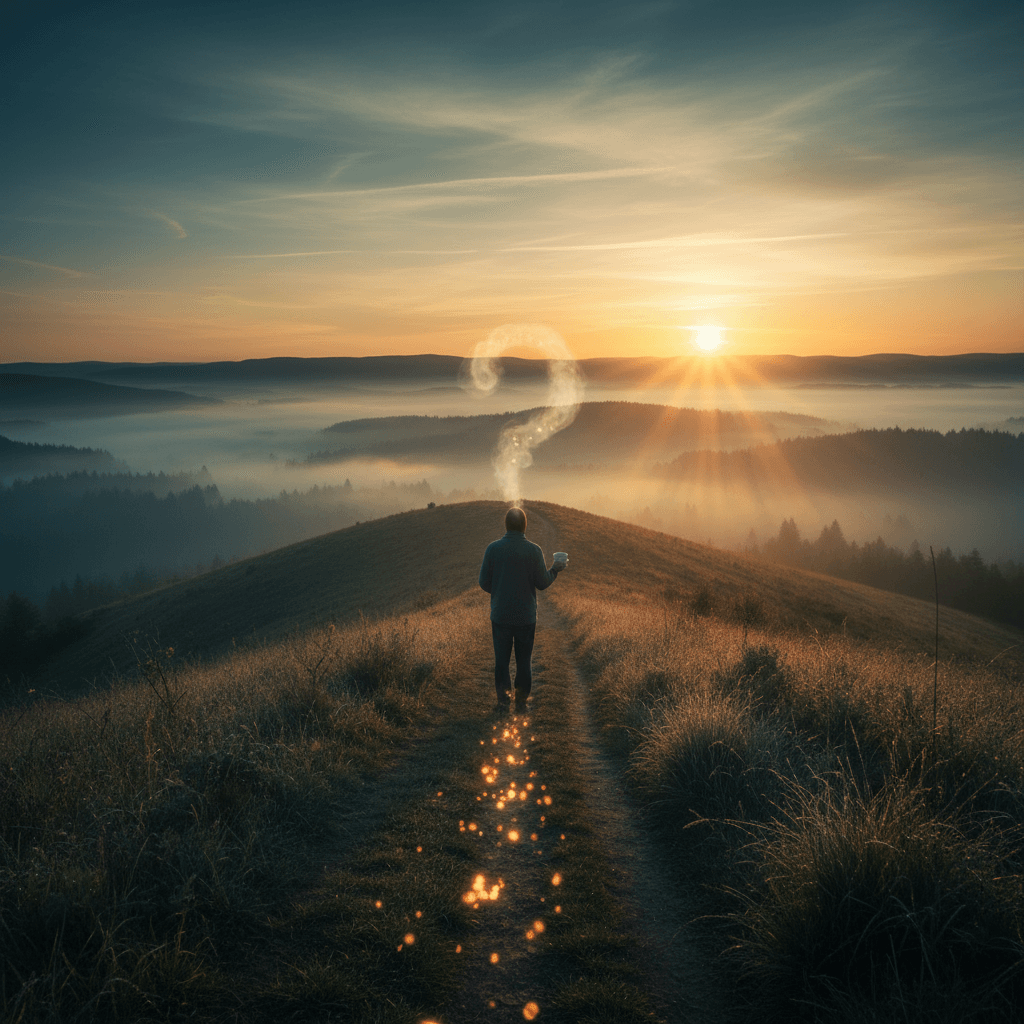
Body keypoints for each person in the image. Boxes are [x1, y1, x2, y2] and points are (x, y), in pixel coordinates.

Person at [478, 506, 564, 714]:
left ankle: (502, 704)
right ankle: (521, 705)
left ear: (506, 525)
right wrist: (555, 570)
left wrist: (498, 592)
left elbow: (483, 582)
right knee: (524, 662)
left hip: (500, 615)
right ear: (525, 526)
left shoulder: (493, 549)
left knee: (502, 662)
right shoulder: (534, 550)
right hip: (526, 617)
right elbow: (542, 583)